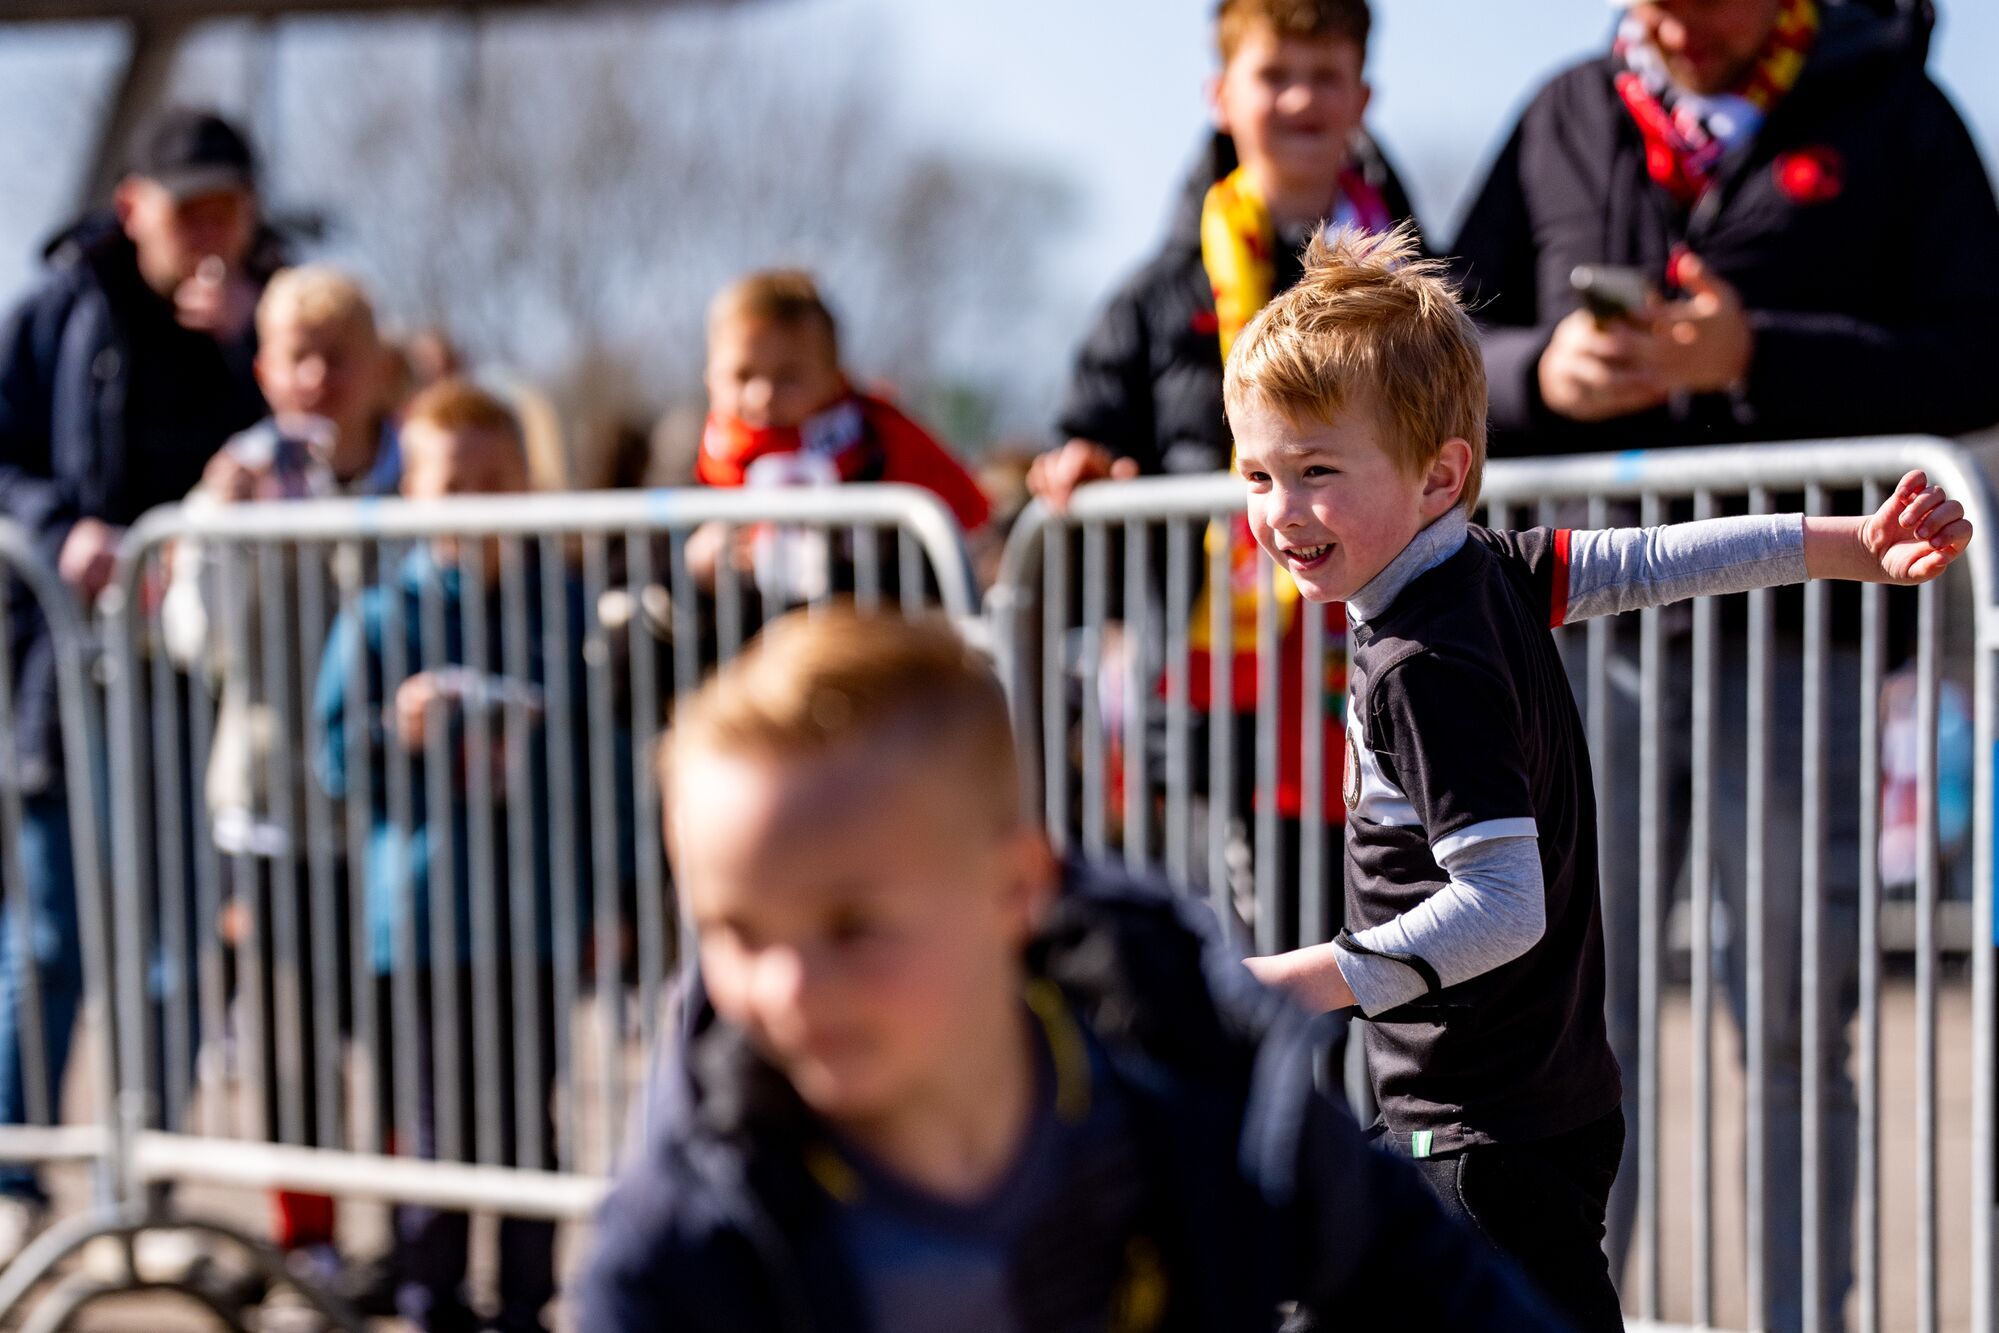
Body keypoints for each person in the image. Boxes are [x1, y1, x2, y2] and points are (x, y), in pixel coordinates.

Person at [1227, 224, 1973, 1332]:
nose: (1282, 512)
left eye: (1318, 472)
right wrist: (1841, 544)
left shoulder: (1422, 665)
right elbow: (1661, 561)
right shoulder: (1484, 571)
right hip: (1533, 1108)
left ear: (1440, 475)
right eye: (1258, 474)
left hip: (1475, 1130)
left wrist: (1296, 983)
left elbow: (1502, 907)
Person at [1449, 5, 1999, 1321]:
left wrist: (1755, 354)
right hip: (1585, 644)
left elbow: (1976, 352)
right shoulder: (1562, 111)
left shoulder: (1892, 111)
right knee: (1573, 1030)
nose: (1673, 20)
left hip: (1798, 640)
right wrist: (1538, 373)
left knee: (1794, 1027)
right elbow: (1438, 341)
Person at [575, 607, 1568, 1331]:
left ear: (1016, 890)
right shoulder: (680, 1250)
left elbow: (1439, 1283)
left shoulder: (1197, 1097)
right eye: (737, 931)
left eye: (853, 925)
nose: (787, 988)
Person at [1032, 0, 1415, 947]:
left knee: (1396, 958)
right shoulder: (1159, 293)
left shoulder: (1420, 283)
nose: (1300, 98)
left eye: (1325, 76)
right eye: (1273, 73)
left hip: (1385, 666)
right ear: (1219, 96)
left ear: (1362, 95)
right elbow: (1086, 427)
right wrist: (1079, 461)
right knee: (1260, 958)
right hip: (1223, 695)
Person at [0, 105, 271, 1257]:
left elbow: (334, 436)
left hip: (209, 677)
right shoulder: (59, 308)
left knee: (176, 942)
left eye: (232, 209)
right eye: (190, 208)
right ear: (133, 209)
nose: (214, 232)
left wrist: (247, 350)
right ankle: (14, 1178)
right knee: (53, 929)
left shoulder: (275, 308)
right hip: (68, 668)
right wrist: (60, 525)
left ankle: (149, 1183)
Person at [312, 381, 592, 1333]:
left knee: (530, 1124)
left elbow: (603, 758)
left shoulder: (566, 609)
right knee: (433, 1125)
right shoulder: (383, 618)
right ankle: (432, 1298)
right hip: (427, 921)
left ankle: (524, 1301)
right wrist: (396, 733)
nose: (476, 501)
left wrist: (615, 892)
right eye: (452, 483)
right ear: (411, 502)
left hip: (536, 916)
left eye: (497, 480)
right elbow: (335, 757)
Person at [158, 263, 401, 1294]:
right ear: (263, 368)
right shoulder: (237, 475)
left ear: (375, 366)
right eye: (297, 356)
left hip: (392, 809)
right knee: (292, 1039)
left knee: (400, 1034)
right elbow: (192, 638)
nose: (317, 376)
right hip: (271, 805)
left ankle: (411, 1237)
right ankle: (308, 1246)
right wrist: (222, 529)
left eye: (338, 355)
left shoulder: (416, 468)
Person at [688, 268, 990, 596]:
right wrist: (694, 569)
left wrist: (844, 560)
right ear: (710, 379)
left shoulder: (881, 441)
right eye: (742, 376)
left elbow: (965, 530)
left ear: (835, 379)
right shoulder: (694, 460)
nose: (763, 395)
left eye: (788, 377)